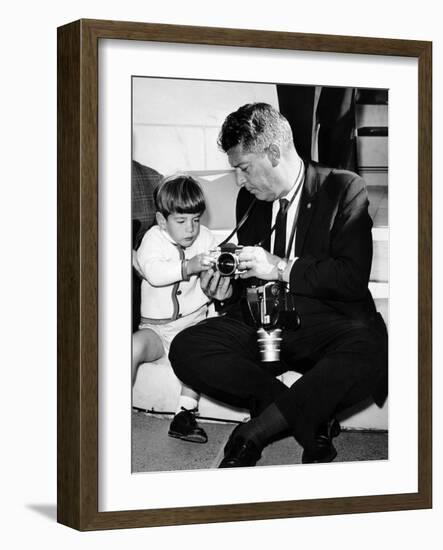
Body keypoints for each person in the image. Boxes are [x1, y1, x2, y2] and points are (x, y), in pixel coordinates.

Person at [169, 103, 388, 466]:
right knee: (188, 347)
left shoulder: (343, 187)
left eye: (243, 168)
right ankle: (309, 417)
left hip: (326, 329)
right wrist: (226, 292)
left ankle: (254, 433)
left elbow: (350, 278)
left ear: (272, 153)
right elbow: (244, 282)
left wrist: (281, 268)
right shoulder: (250, 199)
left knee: (373, 348)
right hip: (266, 331)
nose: (240, 180)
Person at [133, 174, 216, 443]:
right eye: (180, 221)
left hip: (192, 325)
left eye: (196, 220)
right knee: (131, 347)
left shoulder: (206, 238)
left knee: (197, 356)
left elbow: (215, 272)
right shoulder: (152, 239)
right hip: (156, 329)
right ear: (161, 220)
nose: (190, 229)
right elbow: (154, 272)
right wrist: (187, 267)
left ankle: (185, 414)